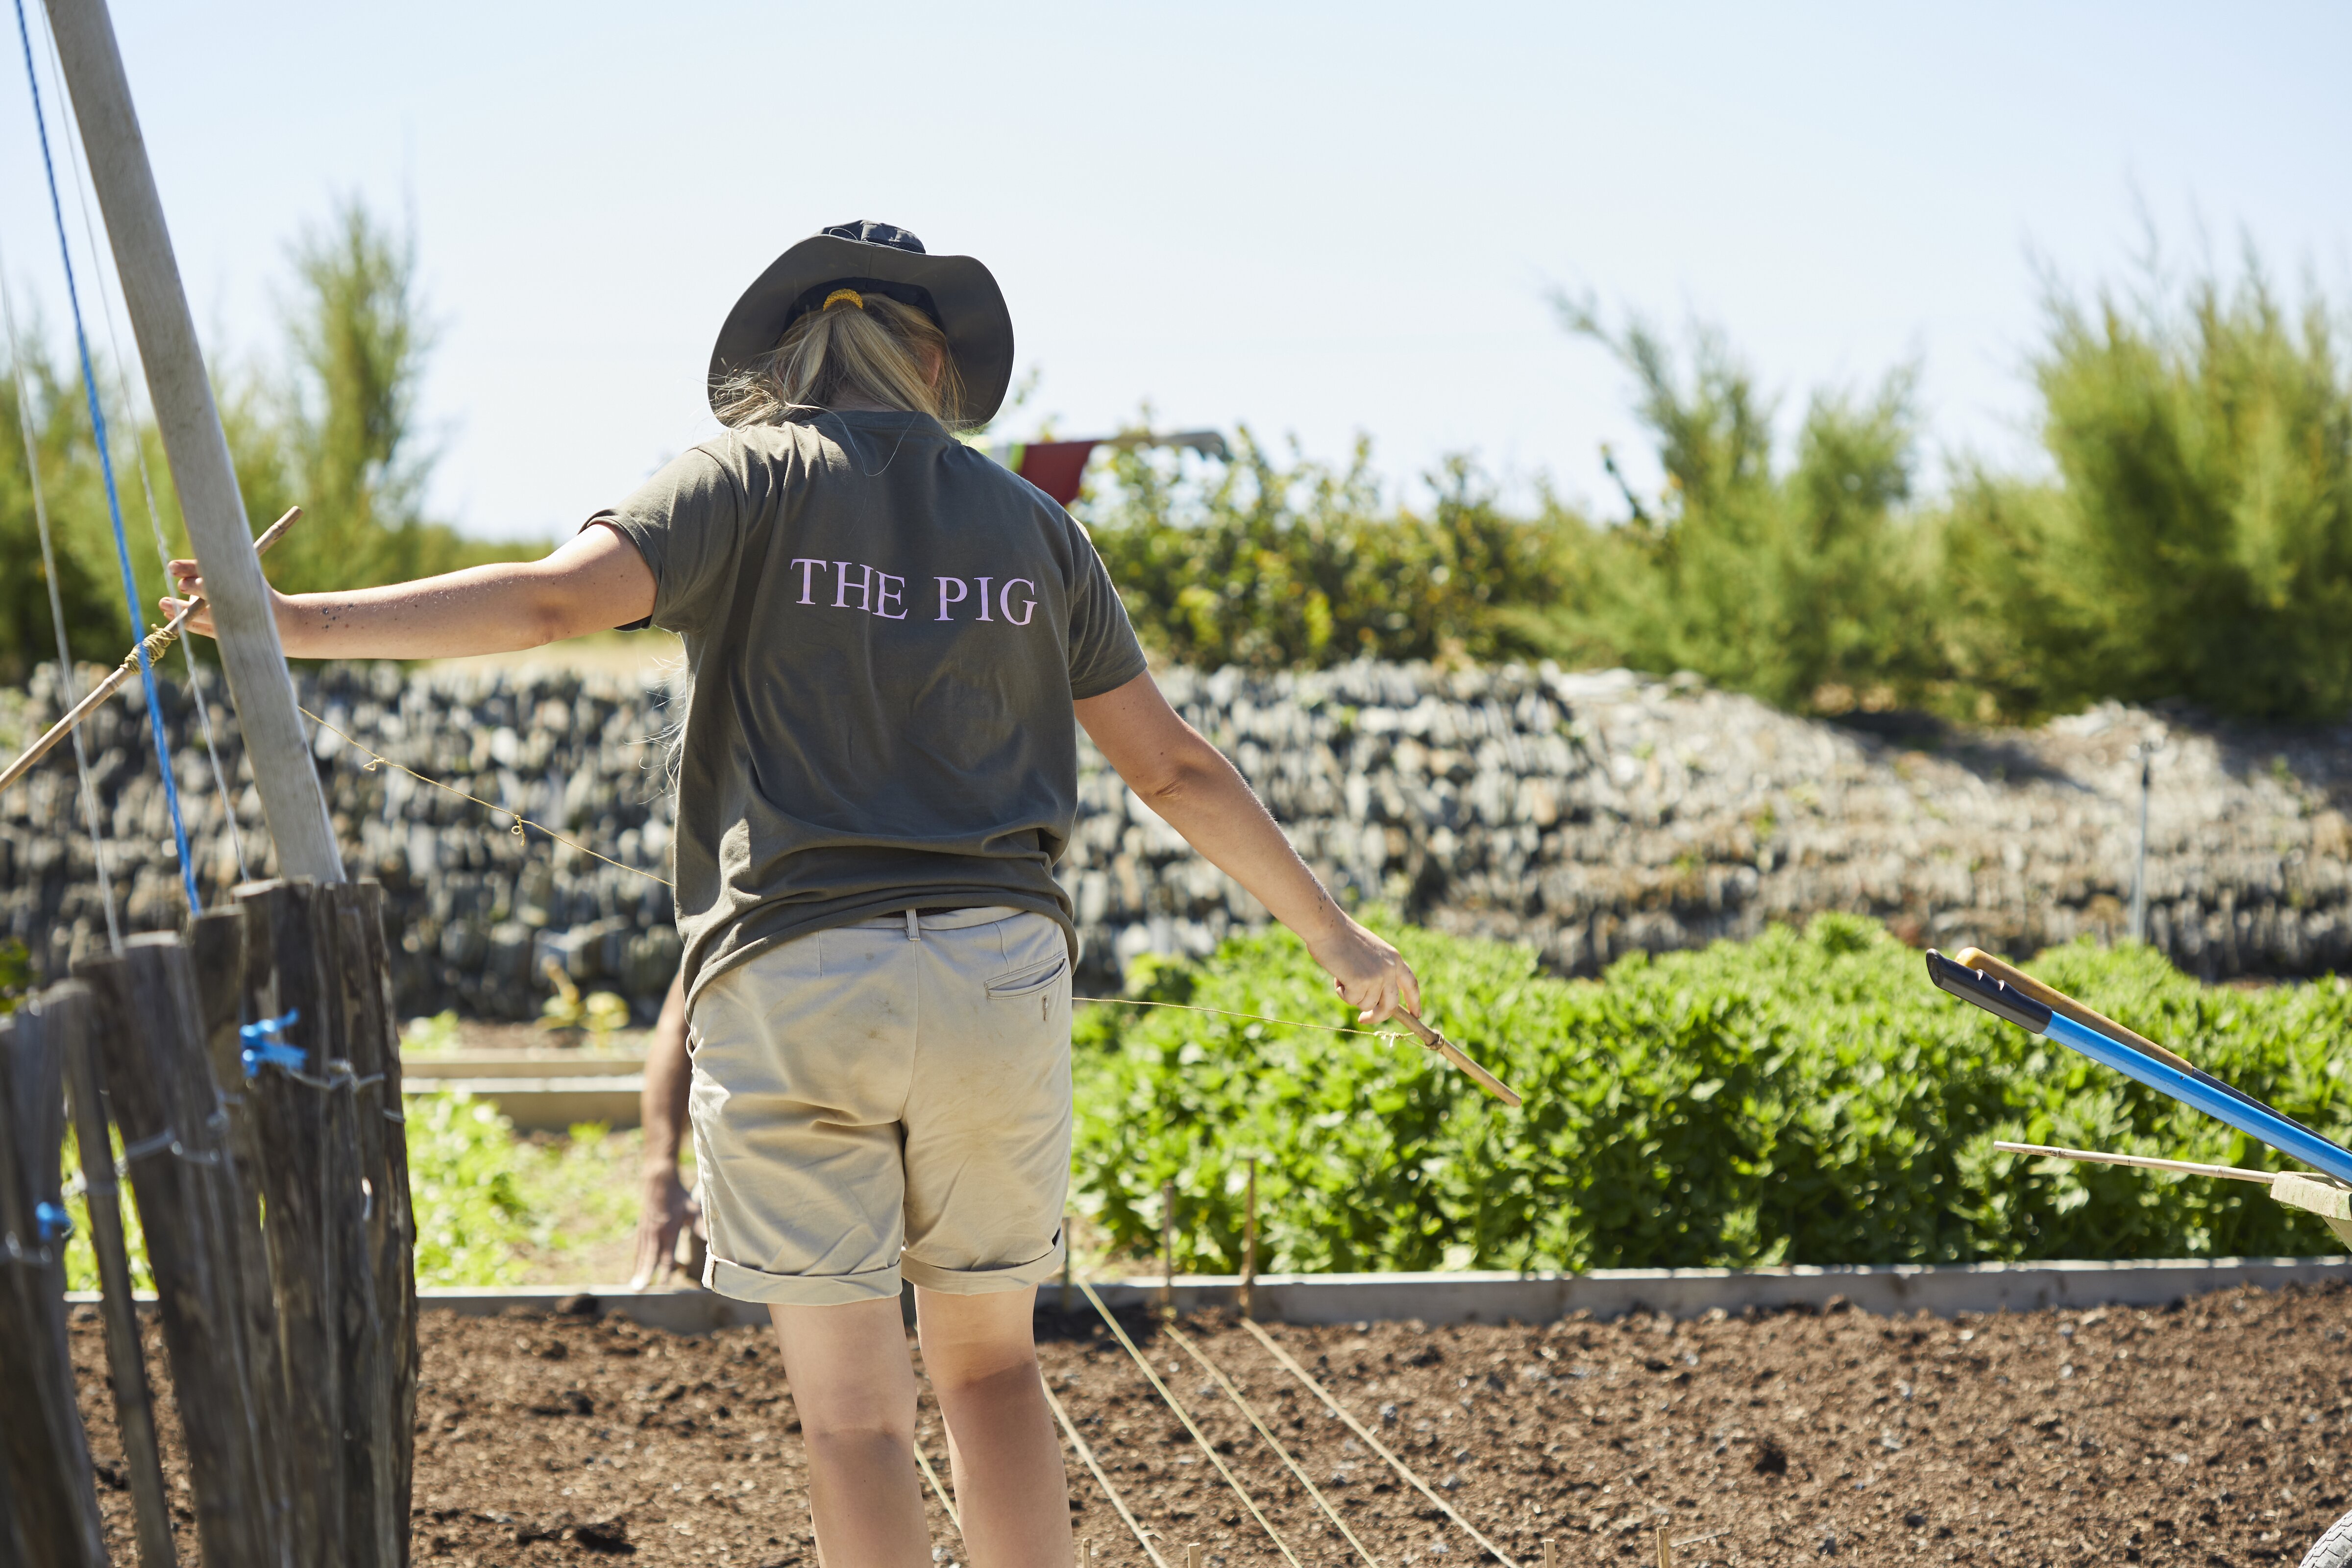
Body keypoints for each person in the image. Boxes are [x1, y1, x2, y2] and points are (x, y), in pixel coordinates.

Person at [166, 219, 1421, 1568]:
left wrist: (283, 619)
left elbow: (541, 607)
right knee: (995, 1376)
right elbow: (1173, 770)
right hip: (1002, 975)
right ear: (939, 361)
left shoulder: (742, 479)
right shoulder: (1038, 528)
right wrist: (1339, 939)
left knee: (856, 1423)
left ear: (785, 358)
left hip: (800, 975)